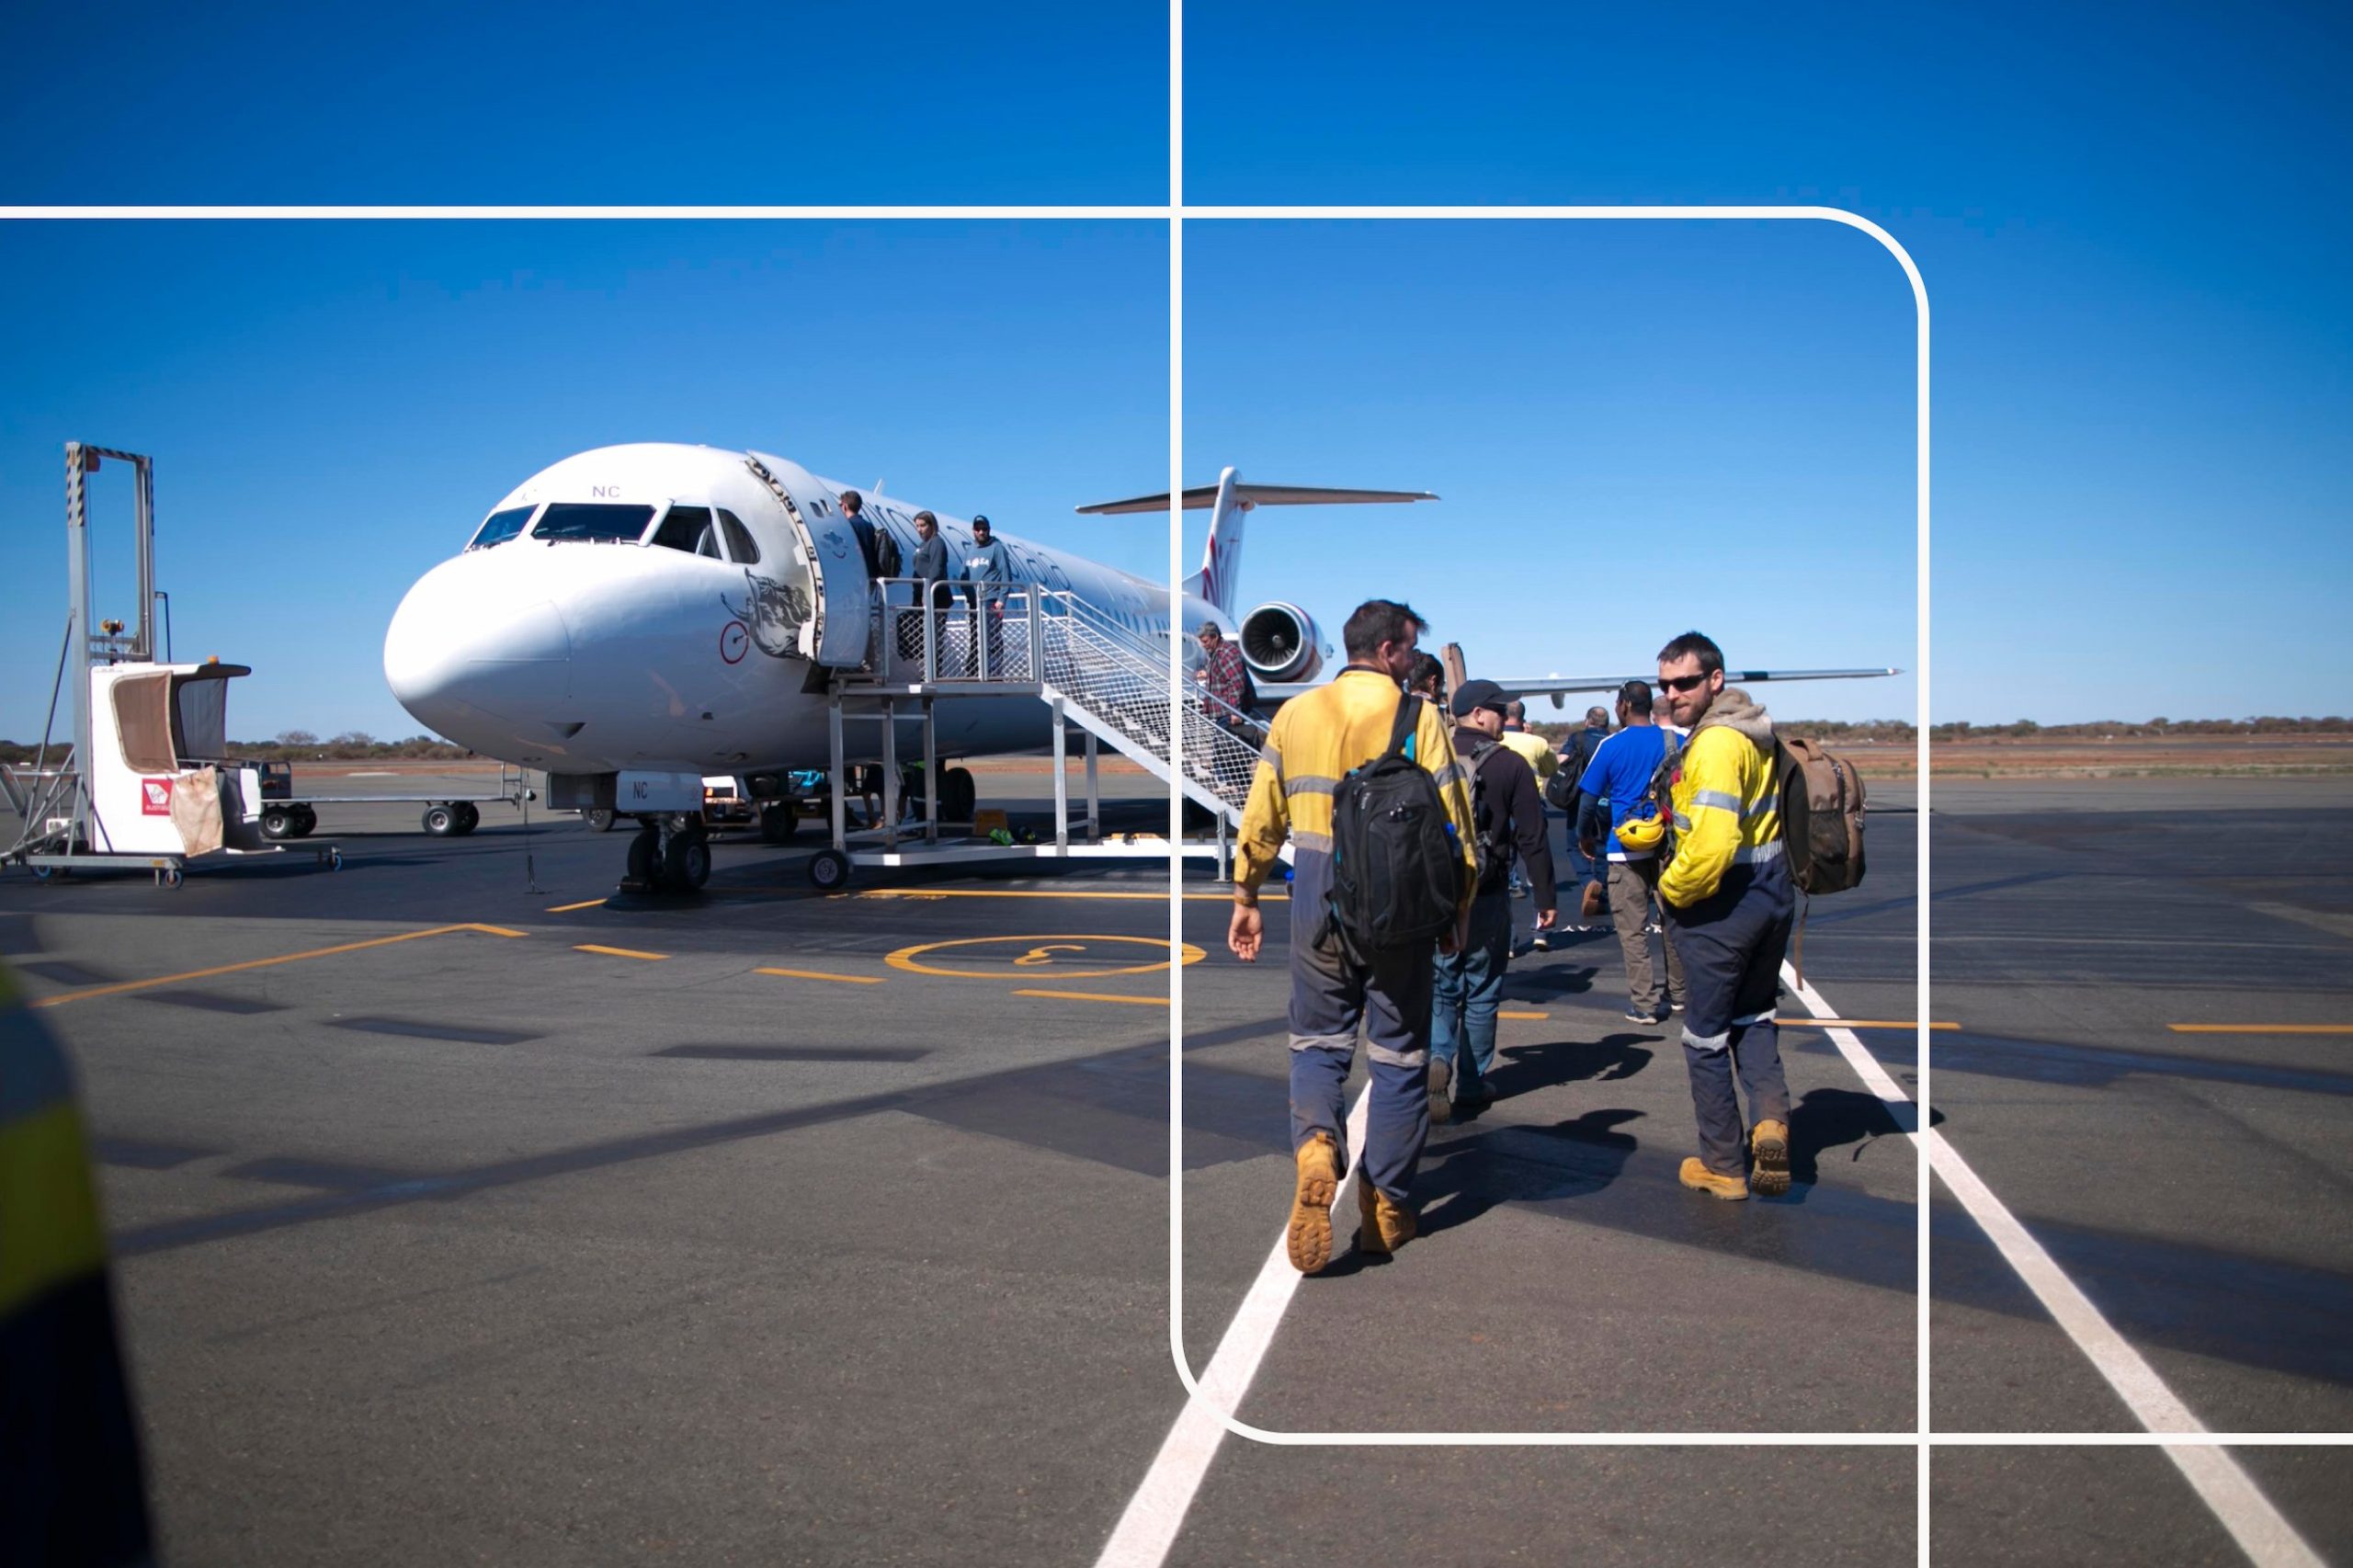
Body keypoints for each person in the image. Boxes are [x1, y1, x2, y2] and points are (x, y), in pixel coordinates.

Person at [1229, 599, 1476, 1273]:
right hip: (1398, 900)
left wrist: (1246, 892)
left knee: (1317, 1040)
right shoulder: (1419, 717)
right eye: (1410, 651)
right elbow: (1456, 820)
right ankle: (1384, 1209)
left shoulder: (1294, 714)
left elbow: (1261, 815)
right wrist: (1459, 906)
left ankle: (1317, 1145)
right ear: (1393, 651)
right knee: (1398, 1056)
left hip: (1315, 887)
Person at [1653, 631, 1794, 1201]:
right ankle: (1770, 1122)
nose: (1672, 694)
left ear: (1715, 680)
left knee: (1705, 1039)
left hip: (1722, 906)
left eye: (1684, 683)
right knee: (1755, 1017)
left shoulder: (1714, 745)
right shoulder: (1756, 731)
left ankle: (1723, 1166)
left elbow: (1711, 848)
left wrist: (1669, 889)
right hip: (1772, 896)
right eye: (1665, 684)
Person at [1427, 678, 1557, 1121]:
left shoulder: (1433, 756)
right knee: (1481, 988)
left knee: (1442, 985)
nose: (1506, 717)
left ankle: (1437, 1060)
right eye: (1500, 710)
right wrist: (1545, 896)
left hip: (1438, 890)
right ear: (1480, 715)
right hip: (1487, 890)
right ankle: (1471, 1082)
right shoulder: (1510, 765)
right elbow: (1533, 837)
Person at [1574, 678, 1688, 1026]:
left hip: (1626, 848)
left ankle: (1645, 1003)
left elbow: (1589, 800)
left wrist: (1584, 836)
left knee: (1632, 929)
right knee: (1673, 922)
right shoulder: (1679, 741)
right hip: (1669, 847)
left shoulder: (1611, 745)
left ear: (1623, 705)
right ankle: (1680, 994)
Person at [1495, 699, 1559, 950]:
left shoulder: (1495, 741)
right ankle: (1541, 930)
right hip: (1531, 807)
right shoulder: (1537, 743)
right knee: (1537, 870)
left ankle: (1508, 941)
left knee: (1501, 873)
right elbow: (1550, 769)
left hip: (1500, 810)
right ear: (1523, 718)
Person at [959, 515, 1014, 676]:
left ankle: (994, 672)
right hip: (974, 601)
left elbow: (1005, 574)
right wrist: (967, 594)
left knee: (992, 636)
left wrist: (1002, 599)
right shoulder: (970, 550)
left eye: (984, 529)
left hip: (990, 599)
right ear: (973, 530)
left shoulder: (997, 548)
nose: (981, 532)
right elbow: (964, 573)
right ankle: (975, 670)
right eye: (978, 529)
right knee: (976, 635)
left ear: (989, 530)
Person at [905, 510, 951, 666]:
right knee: (917, 632)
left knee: (934, 635)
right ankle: (923, 666)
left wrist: (927, 594)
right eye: (917, 526)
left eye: (923, 525)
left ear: (932, 525)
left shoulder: (937, 543)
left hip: (935, 598)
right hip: (919, 597)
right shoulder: (921, 545)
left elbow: (936, 569)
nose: (919, 529)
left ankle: (934, 670)